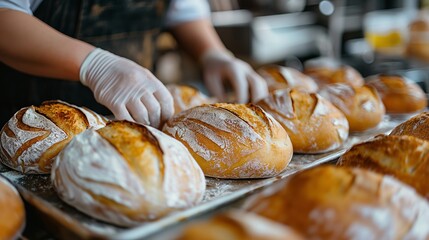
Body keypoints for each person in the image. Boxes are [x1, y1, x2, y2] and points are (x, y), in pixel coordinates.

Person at [0, 0, 268, 128]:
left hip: (135, 120)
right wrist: (95, 65)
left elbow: (183, 10)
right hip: (32, 124)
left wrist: (212, 53)